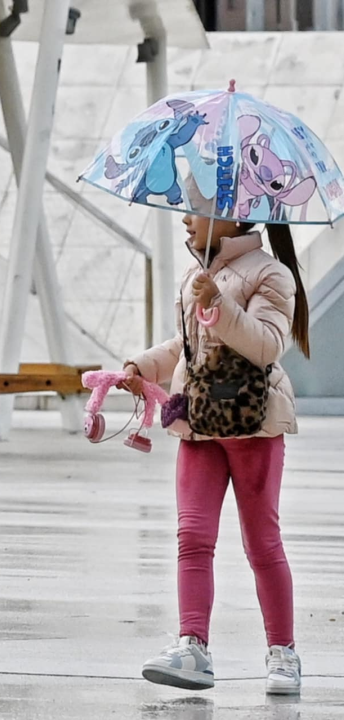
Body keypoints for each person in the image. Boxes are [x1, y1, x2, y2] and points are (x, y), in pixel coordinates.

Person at [122, 184, 308, 695]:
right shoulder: (195, 275)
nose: (185, 218)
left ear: (233, 216)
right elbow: (186, 346)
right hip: (200, 422)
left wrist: (220, 303)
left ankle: (283, 652)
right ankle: (192, 645)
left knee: (261, 543)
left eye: (196, 210)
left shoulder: (271, 274)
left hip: (253, 425)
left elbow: (266, 345)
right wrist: (143, 365)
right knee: (193, 537)